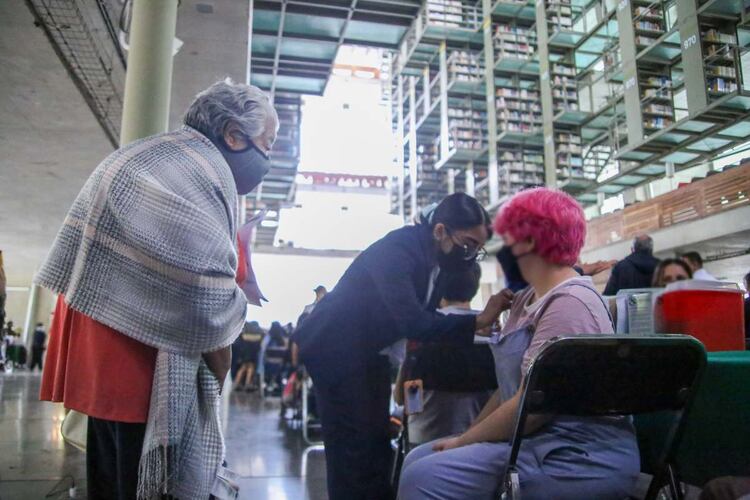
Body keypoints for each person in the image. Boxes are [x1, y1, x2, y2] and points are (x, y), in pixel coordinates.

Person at [36, 79, 278, 500]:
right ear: (234, 135)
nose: (268, 159)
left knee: (109, 482)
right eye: (267, 144)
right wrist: (222, 362)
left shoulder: (152, 155)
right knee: (146, 485)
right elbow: (205, 299)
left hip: (99, 350)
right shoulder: (199, 172)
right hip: (139, 366)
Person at [398, 187, 639, 500]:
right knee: (418, 458)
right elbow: (508, 390)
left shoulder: (570, 303)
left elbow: (536, 405)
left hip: (576, 454)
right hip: (537, 439)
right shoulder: (525, 299)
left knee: (423, 475)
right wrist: (467, 437)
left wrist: (463, 442)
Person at [293, 192, 511, 500]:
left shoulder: (436, 261)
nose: (471, 254)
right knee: (353, 449)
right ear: (440, 231)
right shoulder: (398, 249)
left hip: (368, 352)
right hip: (336, 350)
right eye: (468, 244)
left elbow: (424, 317)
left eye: (478, 248)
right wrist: (475, 322)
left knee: (375, 442)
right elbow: (414, 322)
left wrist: (475, 326)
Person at [395, 263, 497, 447]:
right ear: (474, 287)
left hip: (424, 443)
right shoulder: (494, 336)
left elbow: (403, 399)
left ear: (437, 285)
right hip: (479, 444)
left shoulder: (422, 334)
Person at [232, 321, 265, 391]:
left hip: (244, 353)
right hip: (252, 354)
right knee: (250, 368)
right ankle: (248, 383)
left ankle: (236, 383)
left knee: (243, 368)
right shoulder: (258, 334)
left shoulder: (245, 333)